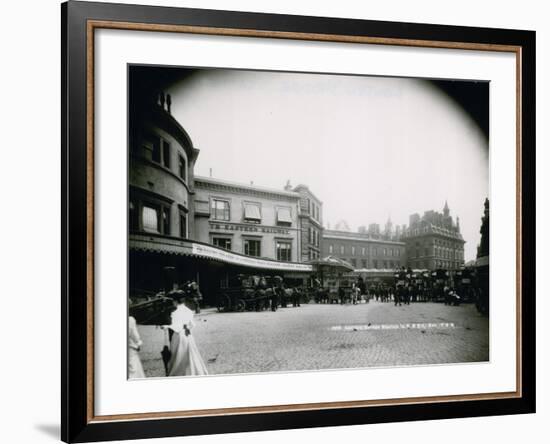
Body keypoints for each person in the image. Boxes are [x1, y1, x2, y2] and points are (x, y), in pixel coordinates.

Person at [162, 301, 208, 376]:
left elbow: (177, 327)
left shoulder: (175, 312)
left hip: (179, 335)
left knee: (179, 355)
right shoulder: (188, 310)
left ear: (175, 301)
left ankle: (179, 373)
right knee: (190, 353)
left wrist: (166, 326)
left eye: (173, 301)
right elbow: (193, 324)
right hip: (188, 334)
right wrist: (187, 328)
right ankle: (193, 370)